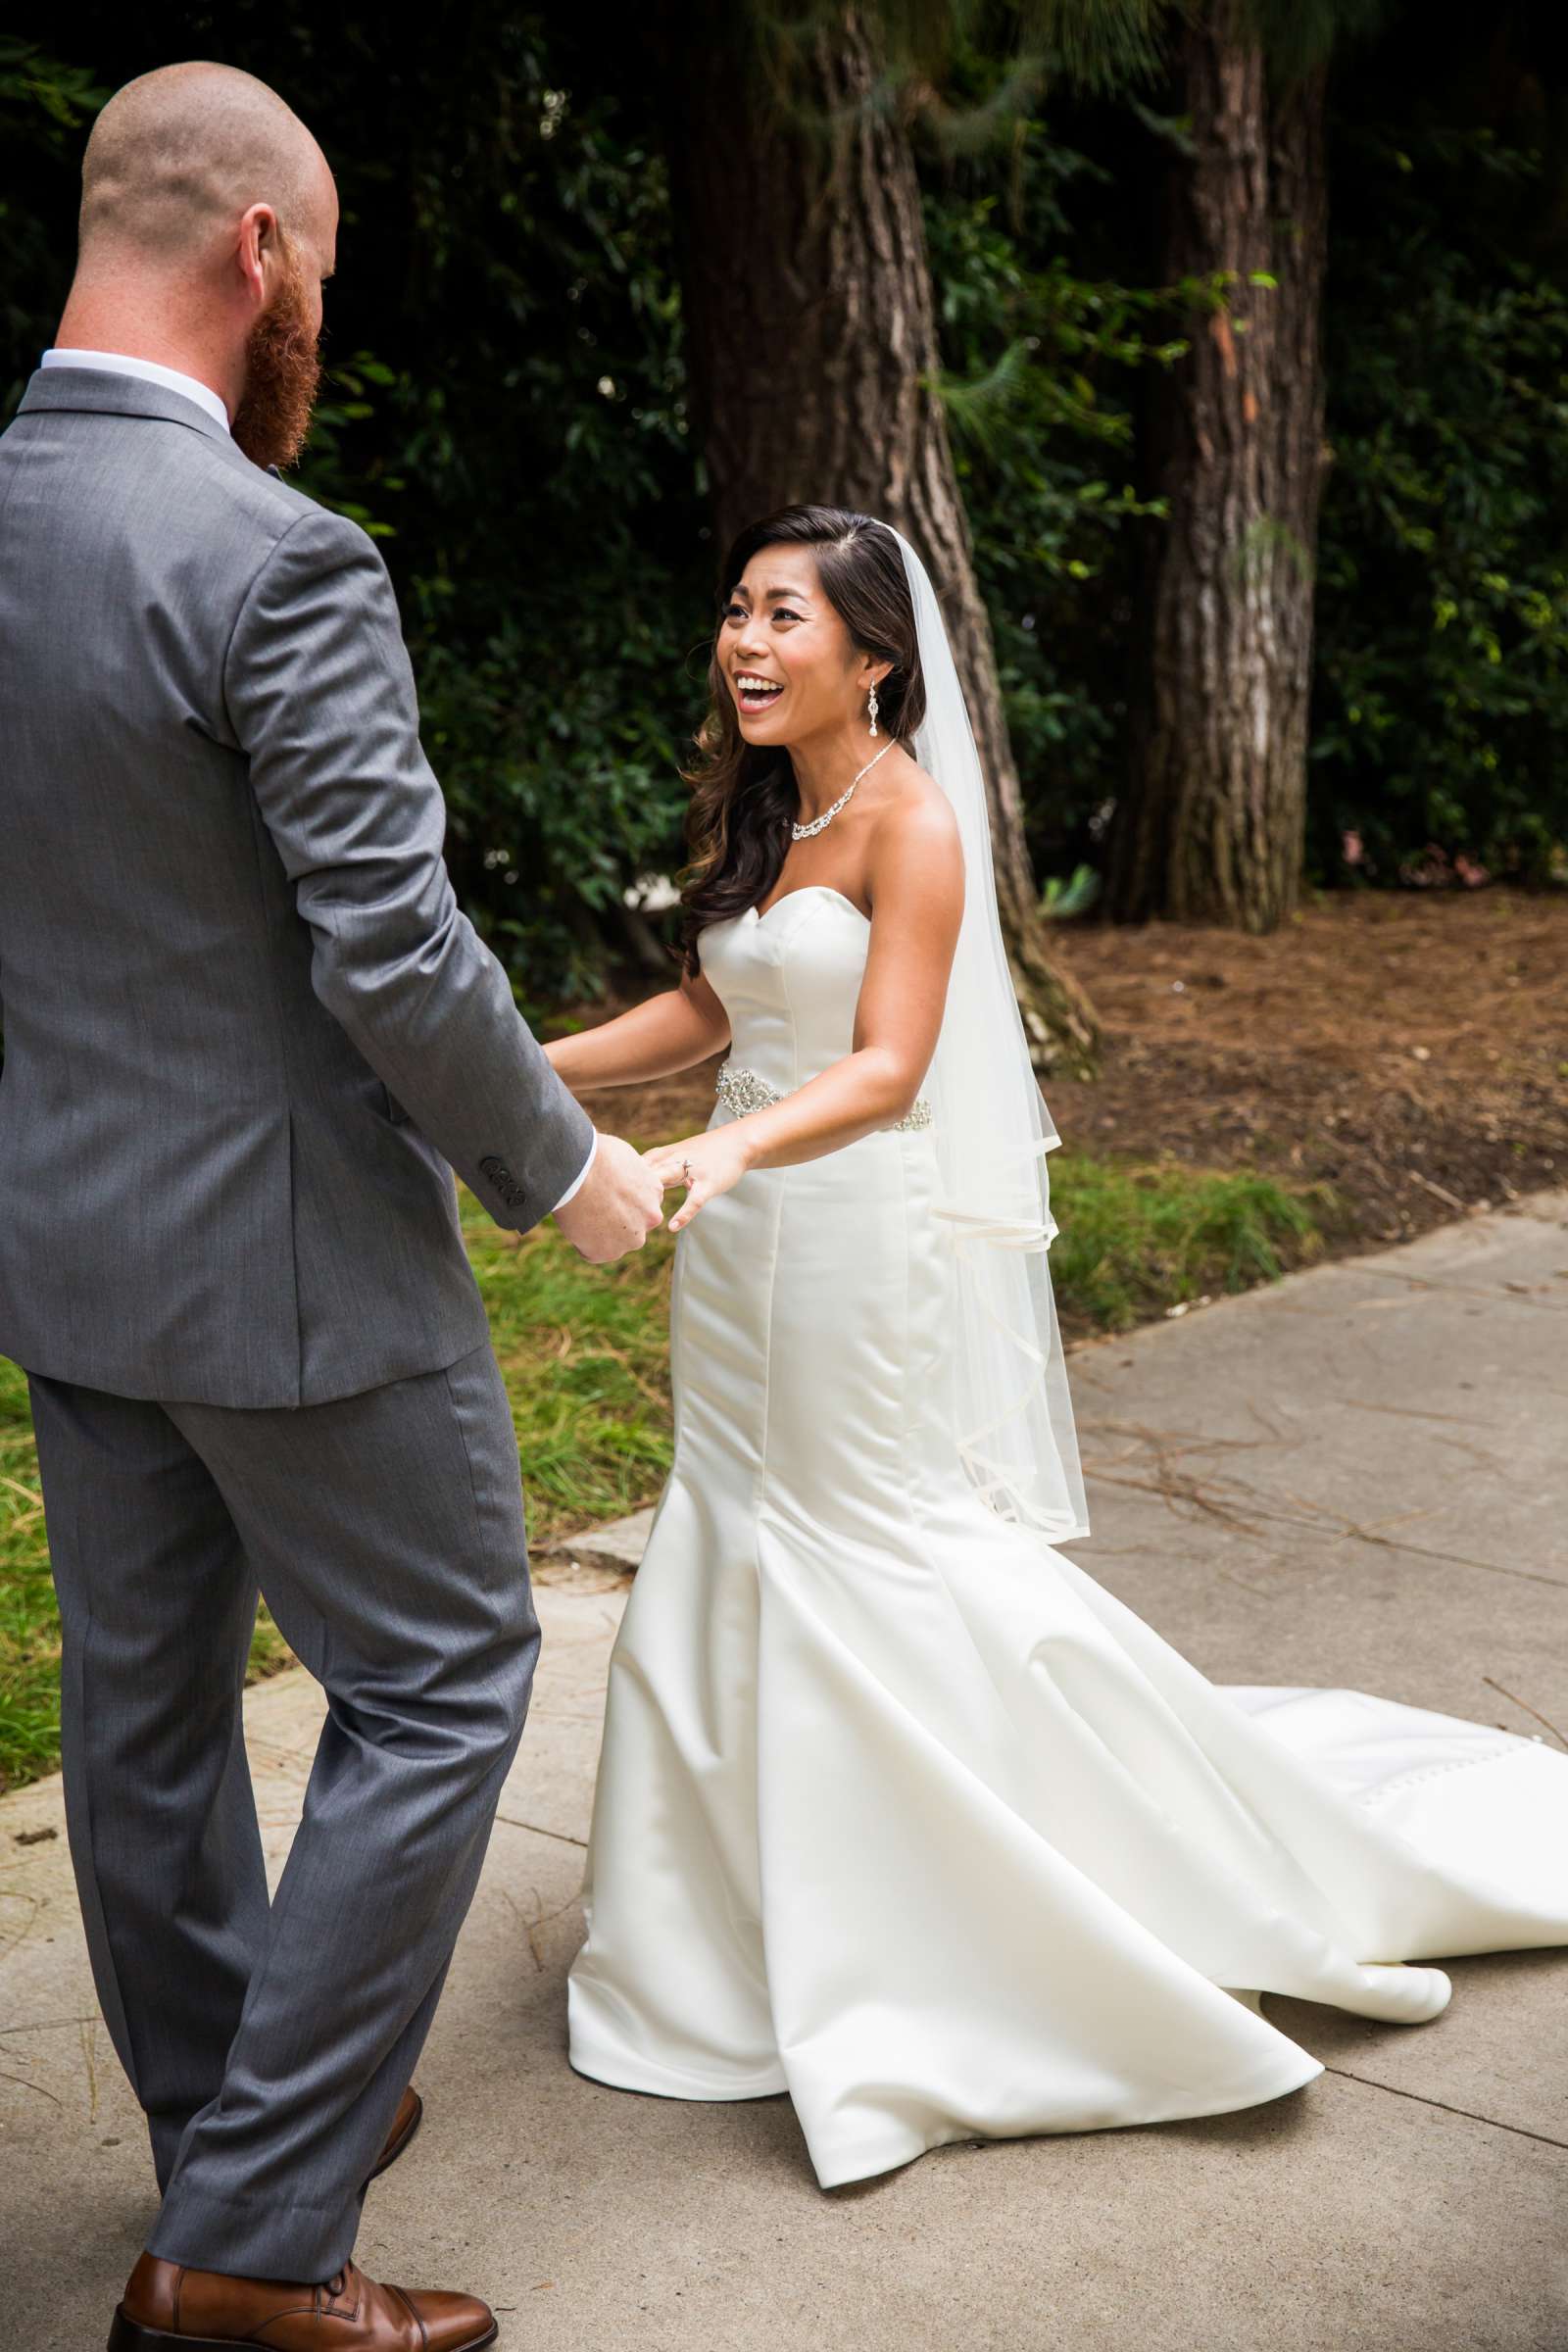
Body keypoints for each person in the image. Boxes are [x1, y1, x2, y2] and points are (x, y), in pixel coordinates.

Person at [553, 502, 1568, 2192]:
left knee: (862, 1558)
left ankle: (984, 1907)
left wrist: (717, 1152)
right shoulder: (765, 810)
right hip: (730, 1254)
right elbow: (720, 1007)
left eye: (784, 618)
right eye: (735, 610)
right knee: (728, 1538)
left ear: (874, 656)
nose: (744, 643)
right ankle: (723, 1927)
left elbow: (885, 1068)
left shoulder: (913, 823)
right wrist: (538, 1068)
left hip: (838, 1233)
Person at [0, 60, 662, 2352]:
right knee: (447, 1674)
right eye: (328, 283)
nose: (319, 329)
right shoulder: (278, 558)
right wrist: (563, 1167)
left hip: (66, 1248)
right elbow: (391, 955)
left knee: (147, 1722)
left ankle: (239, 2136)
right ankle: (249, 2264)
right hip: (292, 1268)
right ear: (262, 256)